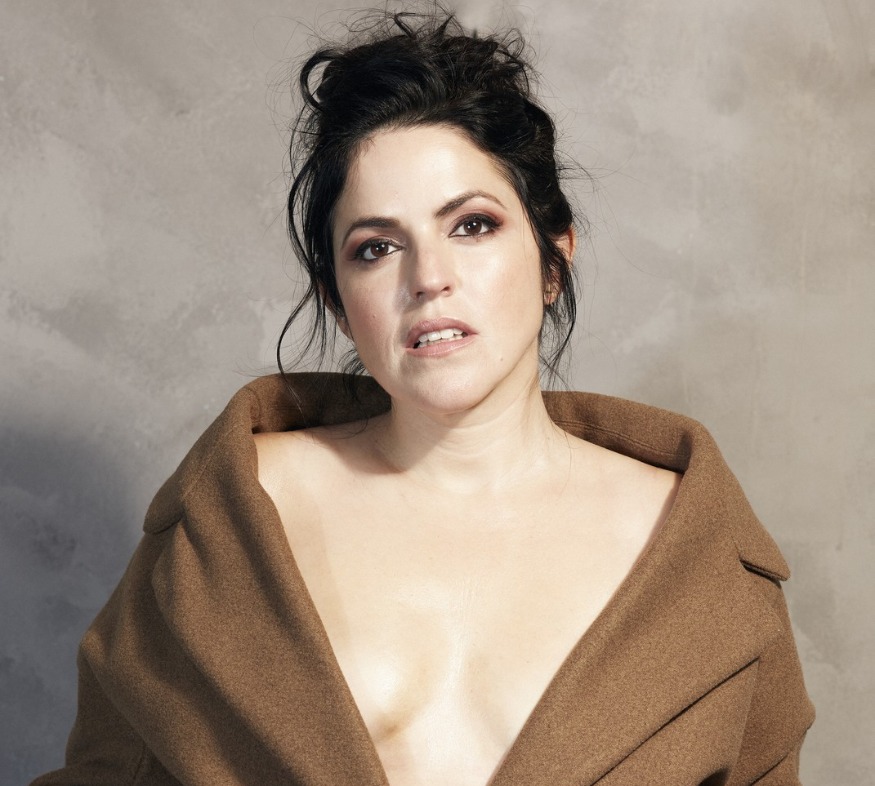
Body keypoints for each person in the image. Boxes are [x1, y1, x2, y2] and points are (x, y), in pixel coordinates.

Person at [32, 8, 814, 786]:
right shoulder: (227, 519)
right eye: (376, 247)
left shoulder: (699, 557)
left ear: (553, 261)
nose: (428, 277)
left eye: (471, 226)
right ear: (339, 303)